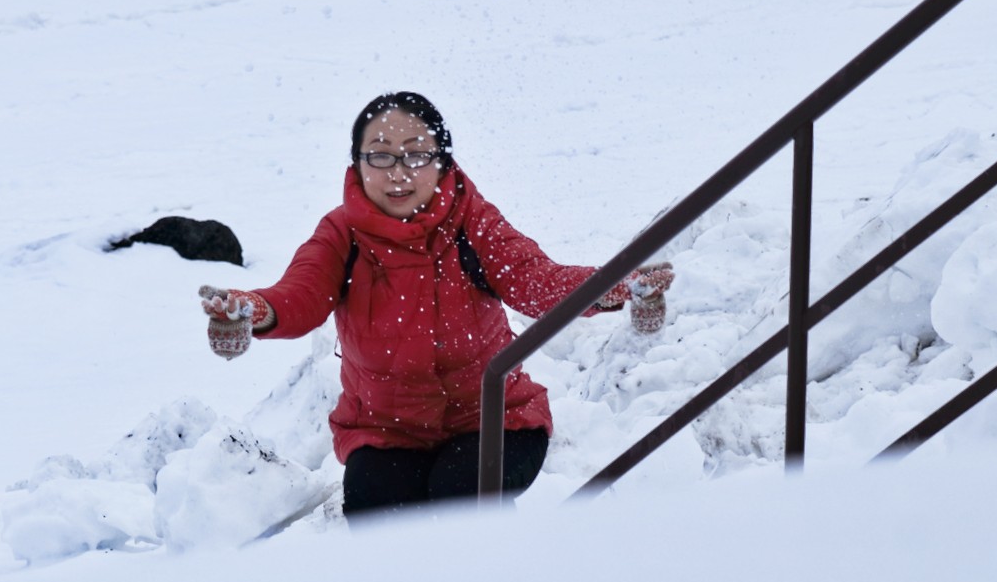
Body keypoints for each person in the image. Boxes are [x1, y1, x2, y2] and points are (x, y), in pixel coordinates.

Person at [197, 91, 672, 519]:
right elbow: (300, 296)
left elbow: (535, 282)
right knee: (378, 515)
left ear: (442, 161)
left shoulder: (471, 221)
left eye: (416, 156)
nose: (399, 173)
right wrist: (254, 311)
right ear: (357, 165)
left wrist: (616, 287)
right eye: (380, 156)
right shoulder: (342, 234)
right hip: (386, 431)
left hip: (494, 421)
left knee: (458, 501)